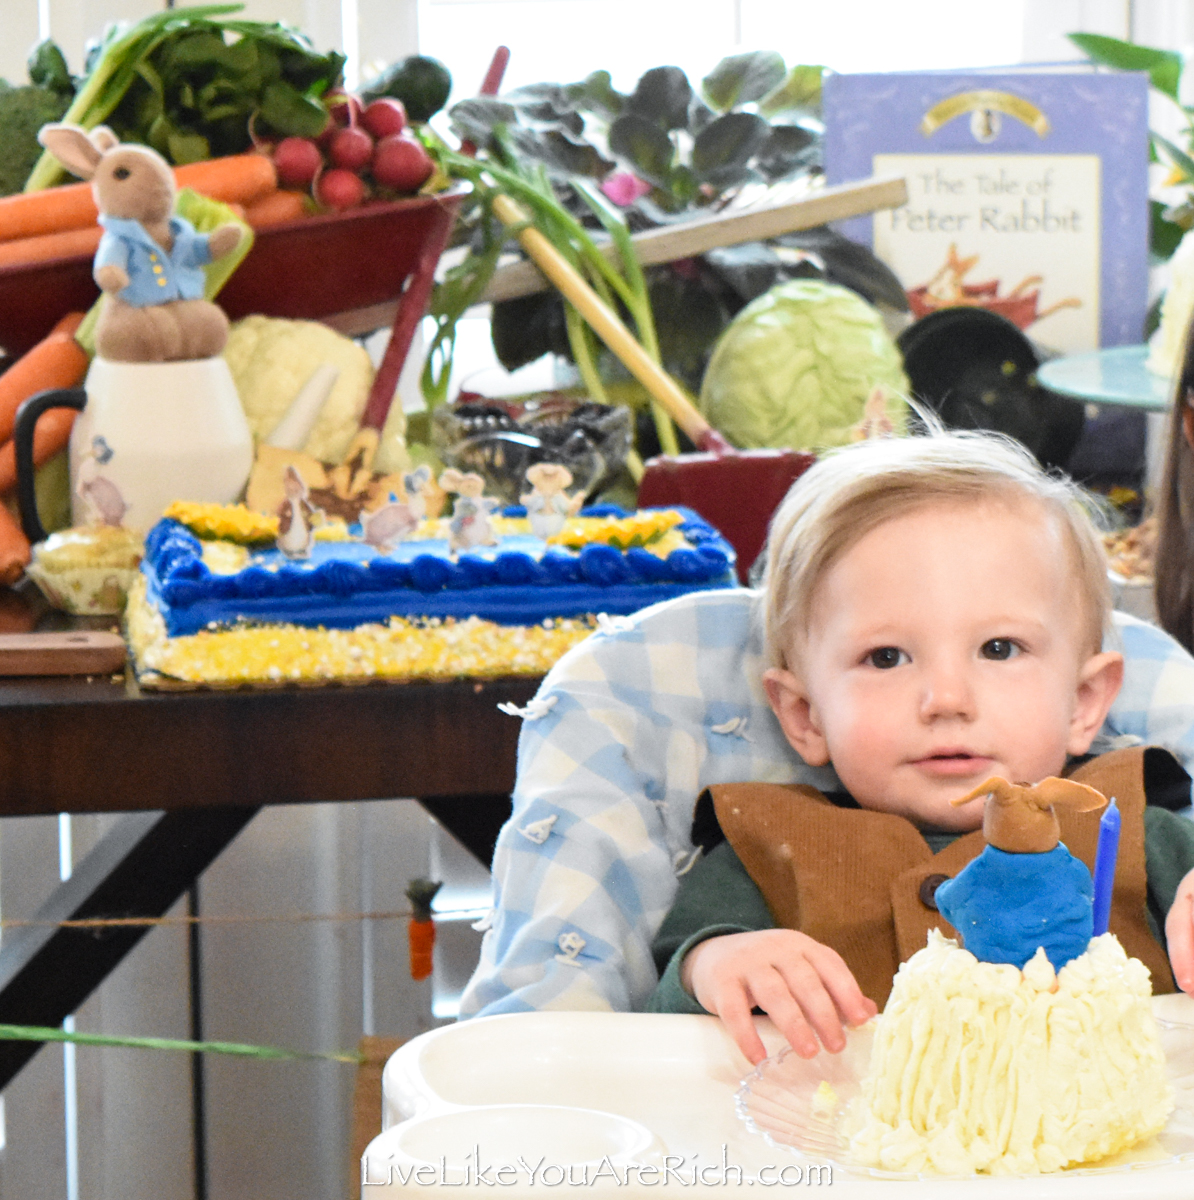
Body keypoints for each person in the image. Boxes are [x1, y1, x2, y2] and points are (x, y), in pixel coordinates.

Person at [460, 434, 1194, 1028]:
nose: (946, 698)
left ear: (1085, 701)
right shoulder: (767, 847)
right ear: (805, 716)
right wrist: (718, 968)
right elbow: (665, 1026)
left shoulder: (1140, 830)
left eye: (999, 650)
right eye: (885, 657)